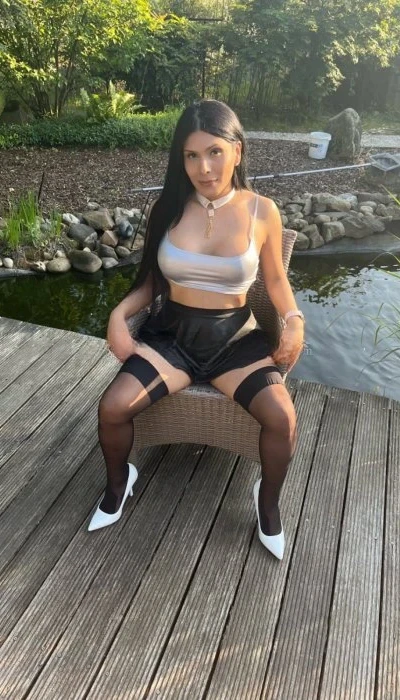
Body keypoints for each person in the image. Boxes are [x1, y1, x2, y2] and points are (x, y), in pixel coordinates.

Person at [88, 99, 304, 560]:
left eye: (214, 152)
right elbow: (150, 281)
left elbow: (275, 280)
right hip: (172, 337)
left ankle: (267, 503)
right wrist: (117, 317)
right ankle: (119, 482)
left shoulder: (262, 210)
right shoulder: (166, 208)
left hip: (235, 340)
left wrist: (294, 321)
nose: (203, 168)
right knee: (112, 408)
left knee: (283, 419)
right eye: (191, 155)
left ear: (237, 151)